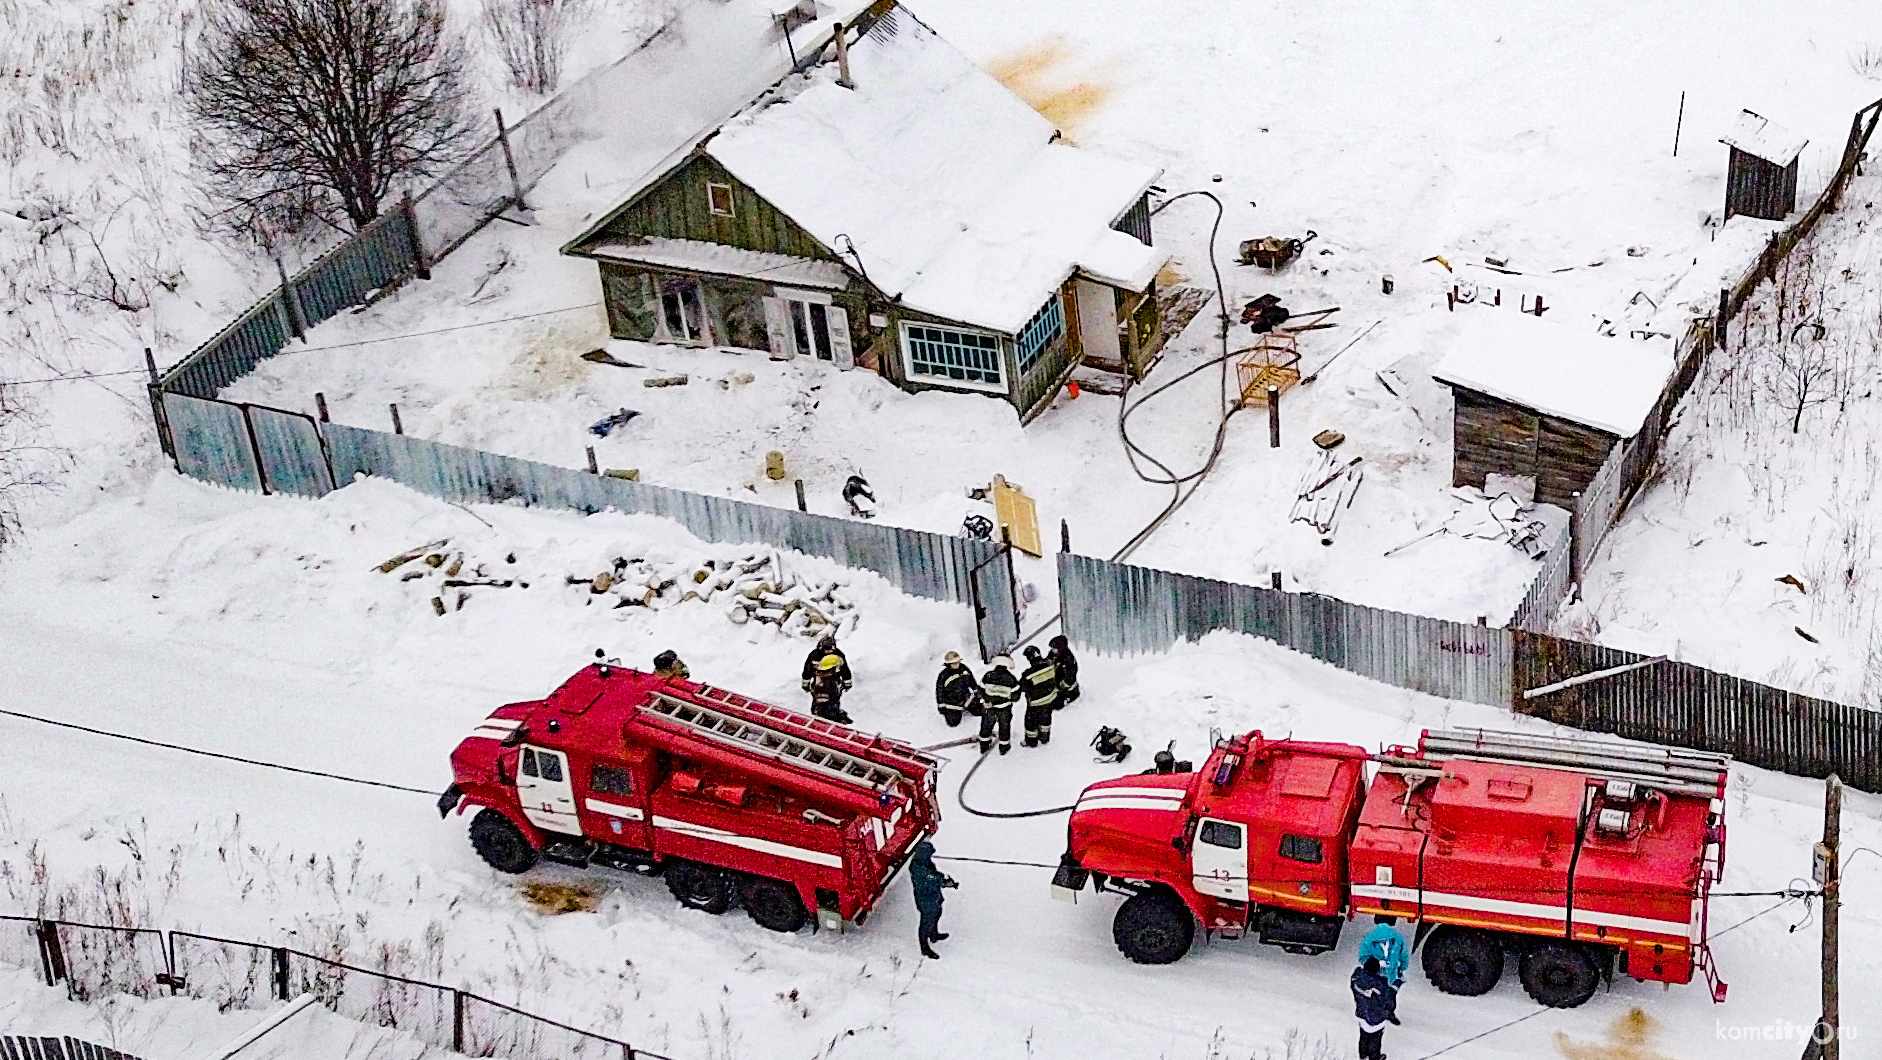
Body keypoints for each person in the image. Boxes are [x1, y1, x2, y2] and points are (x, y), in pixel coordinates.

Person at [908, 839, 958, 959]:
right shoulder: (917, 867)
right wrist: (945, 882)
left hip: (933, 895)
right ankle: (924, 947)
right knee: (926, 921)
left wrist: (943, 880)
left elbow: (934, 875)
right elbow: (931, 878)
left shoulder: (925, 862)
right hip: (925, 899)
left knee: (937, 914)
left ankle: (934, 934)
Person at [1351, 956, 1399, 1060]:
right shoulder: (1380, 985)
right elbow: (1388, 1003)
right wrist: (1395, 987)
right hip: (1376, 1018)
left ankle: (1363, 1055)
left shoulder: (1356, 978)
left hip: (1362, 1012)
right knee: (1375, 1039)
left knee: (1364, 1035)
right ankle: (1374, 1057)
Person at [978, 655, 1020, 755]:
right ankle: (1004, 747)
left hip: (989, 708)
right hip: (1004, 709)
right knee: (1004, 728)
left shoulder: (988, 676)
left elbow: (981, 690)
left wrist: (986, 700)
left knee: (986, 726)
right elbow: (1016, 696)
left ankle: (984, 746)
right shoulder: (1011, 679)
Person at [1020, 645, 1060, 748]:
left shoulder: (1028, 674)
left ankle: (1031, 741)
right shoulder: (1050, 666)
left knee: (1031, 723)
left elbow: (1023, 687)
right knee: (1046, 720)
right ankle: (1044, 738)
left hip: (1035, 703)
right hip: (1049, 700)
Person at [1357, 914, 1409, 988]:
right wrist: (1399, 969)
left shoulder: (1369, 938)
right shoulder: (1398, 938)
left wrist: (1374, 965)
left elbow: (1362, 957)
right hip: (1391, 978)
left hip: (1374, 978)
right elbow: (1404, 959)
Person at [934, 651, 980, 727]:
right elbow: (940, 691)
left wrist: (977, 691)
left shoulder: (964, 669)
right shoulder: (943, 676)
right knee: (953, 722)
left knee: (979, 711)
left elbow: (972, 681)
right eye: (954, 663)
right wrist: (941, 706)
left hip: (966, 697)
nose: (957, 665)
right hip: (952, 702)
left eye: (958, 662)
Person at [808, 654, 853, 724]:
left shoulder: (827, 678)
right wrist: (839, 717)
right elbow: (825, 707)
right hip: (826, 716)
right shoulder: (826, 682)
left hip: (826, 711)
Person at [1047, 635, 1080, 705]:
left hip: (1068, 690)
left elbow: (1070, 678)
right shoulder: (1053, 655)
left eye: (1055, 649)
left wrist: (1060, 687)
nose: (1053, 651)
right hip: (1056, 684)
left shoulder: (1068, 660)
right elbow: (1047, 663)